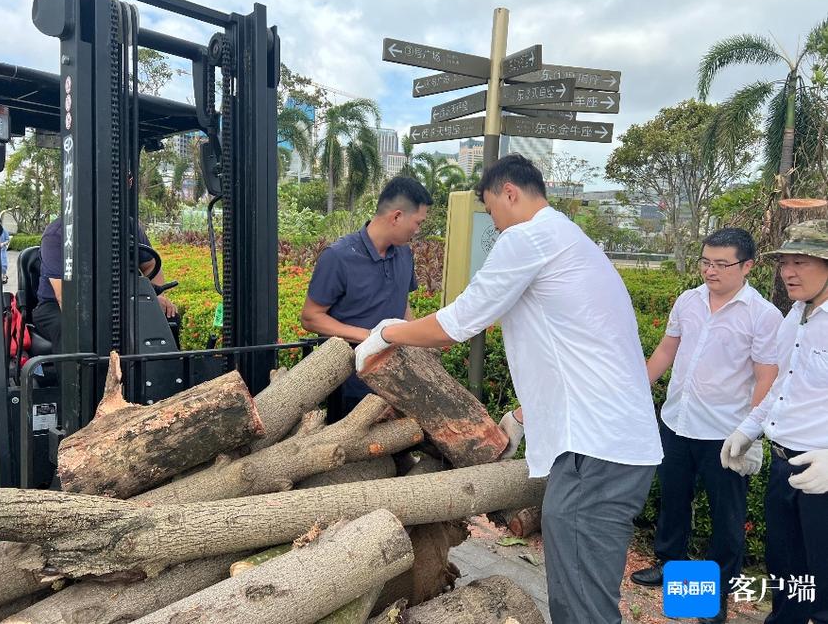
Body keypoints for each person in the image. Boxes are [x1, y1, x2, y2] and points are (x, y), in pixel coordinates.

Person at [354, 154, 663, 624]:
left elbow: (459, 322)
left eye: (492, 212)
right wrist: (523, 416)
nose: (495, 225)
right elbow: (579, 355)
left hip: (597, 452)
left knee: (582, 606)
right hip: (607, 445)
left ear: (509, 193)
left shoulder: (530, 237)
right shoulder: (570, 240)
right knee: (580, 593)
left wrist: (386, 333)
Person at [630, 228, 782, 623]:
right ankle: (669, 564)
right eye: (705, 262)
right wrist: (633, 390)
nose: (710, 271)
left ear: (747, 266)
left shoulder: (763, 315)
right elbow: (667, 348)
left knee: (726, 516)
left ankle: (715, 593)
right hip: (678, 420)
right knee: (674, 499)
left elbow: (767, 376)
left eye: (721, 264)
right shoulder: (689, 300)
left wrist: (750, 432)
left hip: (725, 433)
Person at [721, 220, 828, 624]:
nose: (788, 272)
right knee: (787, 571)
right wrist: (748, 431)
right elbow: (781, 388)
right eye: (784, 262)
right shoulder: (795, 317)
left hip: (822, 472)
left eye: (801, 261)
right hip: (786, 468)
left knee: (823, 582)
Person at [300, 176, 432, 420]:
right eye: (418, 222)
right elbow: (311, 318)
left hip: (396, 382)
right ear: (396, 216)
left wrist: (413, 345)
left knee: (398, 449)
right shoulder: (338, 256)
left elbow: (403, 304)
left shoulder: (404, 254)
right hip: (350, 383)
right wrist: (374, 339)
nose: (418, 230)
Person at [33, 216, 176, 353]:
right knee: (69, 329)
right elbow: (65, 297)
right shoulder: (57, 234)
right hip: (58, 305)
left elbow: (150, 265)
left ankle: (159, 373)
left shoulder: (128, 225)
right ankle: (77, 378)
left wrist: (155, 298)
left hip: (120, 300)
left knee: (168, 317)